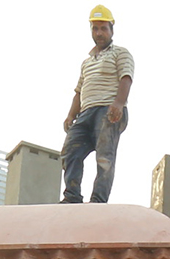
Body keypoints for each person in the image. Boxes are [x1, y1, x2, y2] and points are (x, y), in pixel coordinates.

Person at [61, 5, 134, 204]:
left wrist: (118, 104)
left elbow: (126, 78)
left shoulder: (121, 53)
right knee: (70, 150)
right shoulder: (87, 62)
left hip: (108, 110)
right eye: (95, 28)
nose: (99, 33)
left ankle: (98, 201)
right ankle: (72, 196)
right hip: (86, 113)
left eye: (103, 28)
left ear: (112, 30)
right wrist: (70, 115)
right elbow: (79, 91)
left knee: (104, 156)